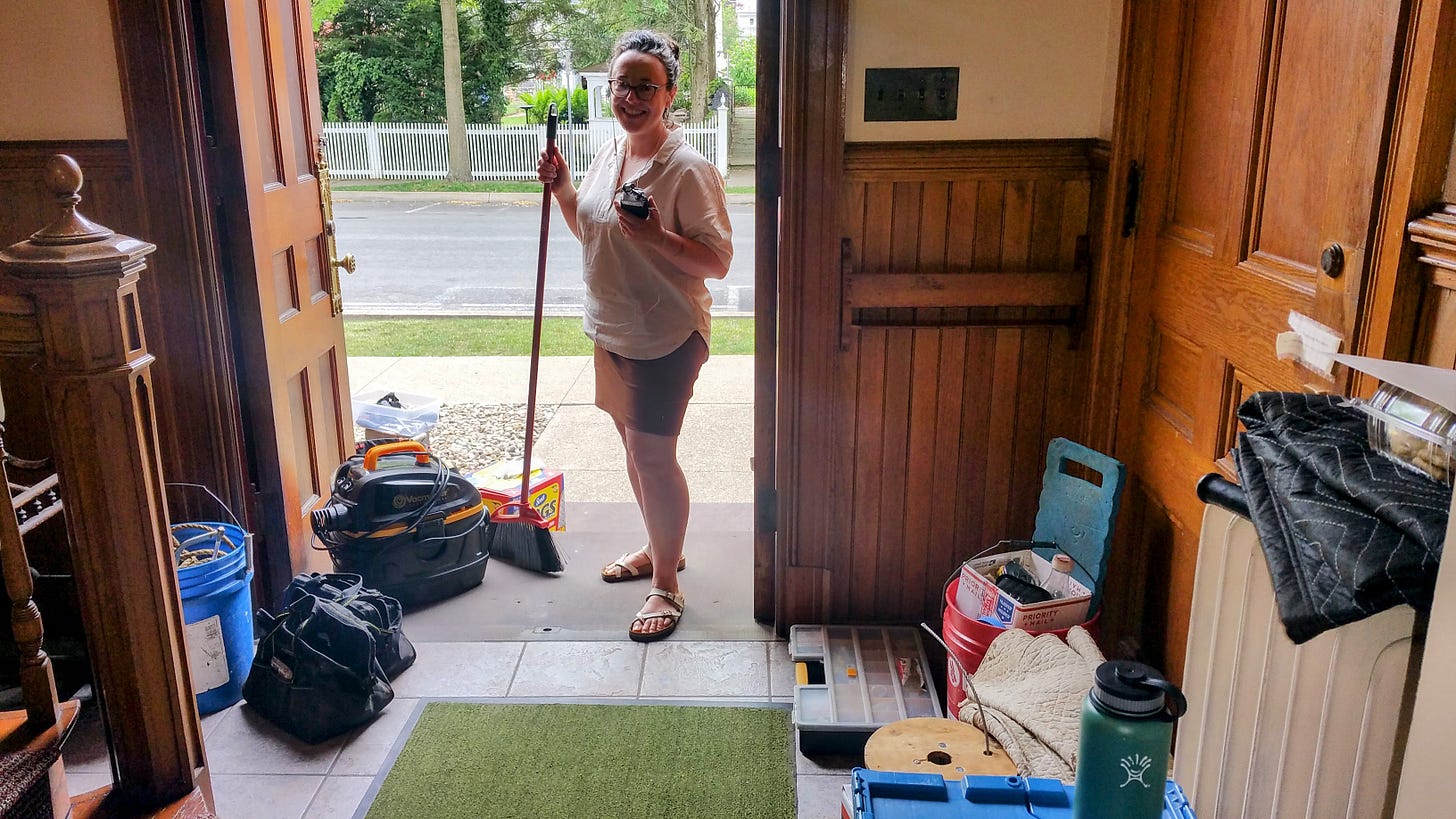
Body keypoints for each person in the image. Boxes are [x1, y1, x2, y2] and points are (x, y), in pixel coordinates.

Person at [537, 30, 733, 642]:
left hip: (666, 335)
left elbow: (717, 260)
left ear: (669, 94)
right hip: (612, 330)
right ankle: (659, 547)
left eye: (646, 85)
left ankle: (667, 584)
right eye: (623, 84)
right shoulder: (609, 154)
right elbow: (592, 230)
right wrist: (566, 188)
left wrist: (656, 240)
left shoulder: (689, 169)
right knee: (633, 451)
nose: (631, 96)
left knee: (652, 456)